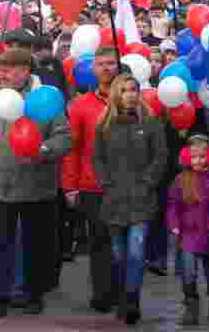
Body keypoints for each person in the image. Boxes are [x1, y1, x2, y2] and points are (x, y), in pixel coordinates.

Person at [0, 48, 71, 318]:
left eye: (11, 68)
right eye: (1, 69)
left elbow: (64, 138)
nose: (4, 74)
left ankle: (33, 294)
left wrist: (44, 150)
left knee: (36, 245)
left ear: (26, 71)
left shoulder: (44, 101)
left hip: (36, 187)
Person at [92, 74, 167, 325]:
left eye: (134, 89)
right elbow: (97, 159)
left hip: (141, 199)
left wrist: (147, 182)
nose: (130, 94)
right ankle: (122, 297)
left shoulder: (151, 122)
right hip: (114, 199)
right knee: (118, 254)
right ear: (116, 94)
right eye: (124, 90)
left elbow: (160, 156)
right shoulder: (104, 124)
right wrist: (106, 182)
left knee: (136, 252)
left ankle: (133, 300)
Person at [62, 47, 119, 313]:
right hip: (92, 185)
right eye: (101, 64)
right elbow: (72, 148)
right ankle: (102, 294)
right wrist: (70, 185)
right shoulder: (81, 105)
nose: (106, 68)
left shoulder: (133, 101)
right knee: (99, 243)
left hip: (127, 186)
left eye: (111, 63)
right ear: (94, 69)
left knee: (125, 244)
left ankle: (125, 292)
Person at [167, 135, 209, 325]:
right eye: (194, 157)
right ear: (187, 158)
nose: (198, 161)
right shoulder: (181, 180)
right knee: (189, 271)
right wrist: (174, 224)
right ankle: (191, 307)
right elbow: (173, 204)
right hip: (188, 234)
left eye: (202, 156)